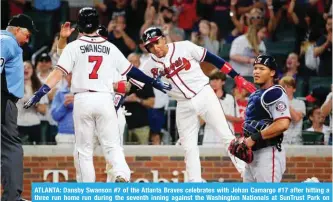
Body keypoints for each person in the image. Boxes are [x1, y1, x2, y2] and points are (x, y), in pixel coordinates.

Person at [23, 7, 171, 183]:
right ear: (97, 25)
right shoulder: (110, 48)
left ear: (79, 27)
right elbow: (132, 71)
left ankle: (88, 189)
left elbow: (57, 72)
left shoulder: (75, 46)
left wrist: (40, 93)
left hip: (83, 99)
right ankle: (122, 174)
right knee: (113, 147)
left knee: (84, 151)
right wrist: (153, 81)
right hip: (105, 100)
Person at [139, 27, 257, 182]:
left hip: (204, 94)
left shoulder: (185, 46)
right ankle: (195, 184)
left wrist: (236, 77)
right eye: (150, 46)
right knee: (188, 147)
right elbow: (131, 81)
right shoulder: (148, 66)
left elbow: (214, 59)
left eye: (156, 42)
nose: (155, 48)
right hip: (183, 104)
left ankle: (246, 176)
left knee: (227, 136)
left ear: (164, 38)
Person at [1, 13, 38, 201]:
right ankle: (12, 197)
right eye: (27, 34)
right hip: (3, 100)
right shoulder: (7, 41)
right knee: (11, 148)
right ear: (17, 30)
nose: (28, 39)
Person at [241, 55, 291, 182]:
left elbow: (283, 123)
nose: (256, 71)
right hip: (252, 154)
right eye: (255, 68)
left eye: (262, 68)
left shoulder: (275, 92)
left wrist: (254, 138)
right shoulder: (255, 94)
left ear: (272, 72)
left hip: (268, 152)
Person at [279, 76, 306, 145]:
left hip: (295, 141)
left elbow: (296, 118)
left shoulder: (300, 103)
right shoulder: (276, 104)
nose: (285, 89)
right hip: (280, 141)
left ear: (294, 89)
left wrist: (285, 101)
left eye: (288, 87)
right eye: (283, 87)